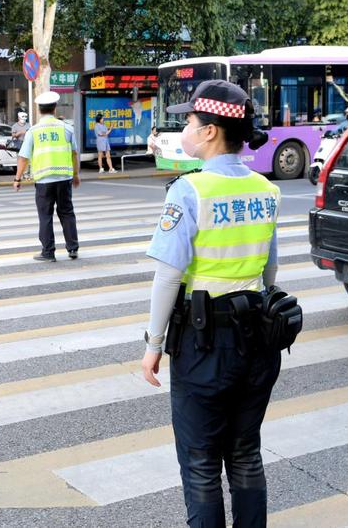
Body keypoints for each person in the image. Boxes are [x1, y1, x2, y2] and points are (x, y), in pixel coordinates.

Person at [140, 80, 282, 527]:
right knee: (245, 454)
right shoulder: (265, 188)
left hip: (204, 344)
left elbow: (168, 275)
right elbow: (270, 272)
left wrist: (153, 343)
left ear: (210, 132)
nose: (184, 126)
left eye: (189, 119)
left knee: (201, 463)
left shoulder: (190, 190)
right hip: (258, 337)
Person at [13, 91, 80, 262]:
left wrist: (17, 179)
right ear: (55, 108)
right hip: (64, 179)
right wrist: (76, 174)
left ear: (39, 109)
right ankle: (72, 249)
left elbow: (23, 157)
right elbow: (74, 154)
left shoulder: (33, 131)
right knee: (67, 213)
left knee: (45, 216)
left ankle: (48, 252)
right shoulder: (67, 128)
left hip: (43, 181)